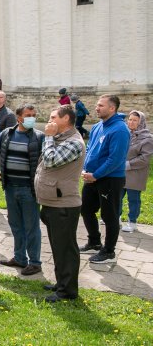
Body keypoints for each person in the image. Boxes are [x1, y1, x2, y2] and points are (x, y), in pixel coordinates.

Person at [35, 105, 86, 303]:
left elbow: (50, 160)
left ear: (66, 119)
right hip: (52, 202)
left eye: (53, 117)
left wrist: (48, 137)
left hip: (64, 204)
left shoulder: (74, 142)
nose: (49, 121)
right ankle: (61, 283)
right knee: (58, 247)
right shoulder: (61, 139)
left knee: (66, 248)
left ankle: (68, 291)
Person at [79, 95, 130, 264]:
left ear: (112, 108)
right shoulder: (97, 126)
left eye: (101, 105)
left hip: (110, 179)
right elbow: (90, 148)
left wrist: (96, 175)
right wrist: (86, 169)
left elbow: (115, 159)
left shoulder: (120, 129)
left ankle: (108, 251)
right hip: (91, 177)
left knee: (109, 216)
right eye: (97, 105)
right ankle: (94, 241)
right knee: (86, 209)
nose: (96, 108)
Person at [0, 104, 45, 275]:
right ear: (18, 117)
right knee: (15, 224)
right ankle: (19, 257)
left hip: (28, 190)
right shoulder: (7, 133)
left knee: (31, 227)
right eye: (28, 114)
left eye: (33, 114)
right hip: (10, 187)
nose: (31, 117)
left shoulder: (39, 137)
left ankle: (35, 262)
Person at [121, 111, 153, 232]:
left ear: (141, 122)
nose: (131, 122)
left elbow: (144, 159)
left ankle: (132, 222)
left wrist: (127, 164)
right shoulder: (125, 134)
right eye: (130, 119)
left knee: (133, 199)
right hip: (120, 172)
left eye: (135, 120)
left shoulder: (148, 138)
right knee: (117, 197)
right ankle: (116, 218)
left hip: (135, 174)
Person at [0, 90, 18, 209]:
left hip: (1, 151)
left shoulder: (9, 115)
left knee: (4, 176)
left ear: (2, 99)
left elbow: (9, 134)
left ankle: (12, 202)